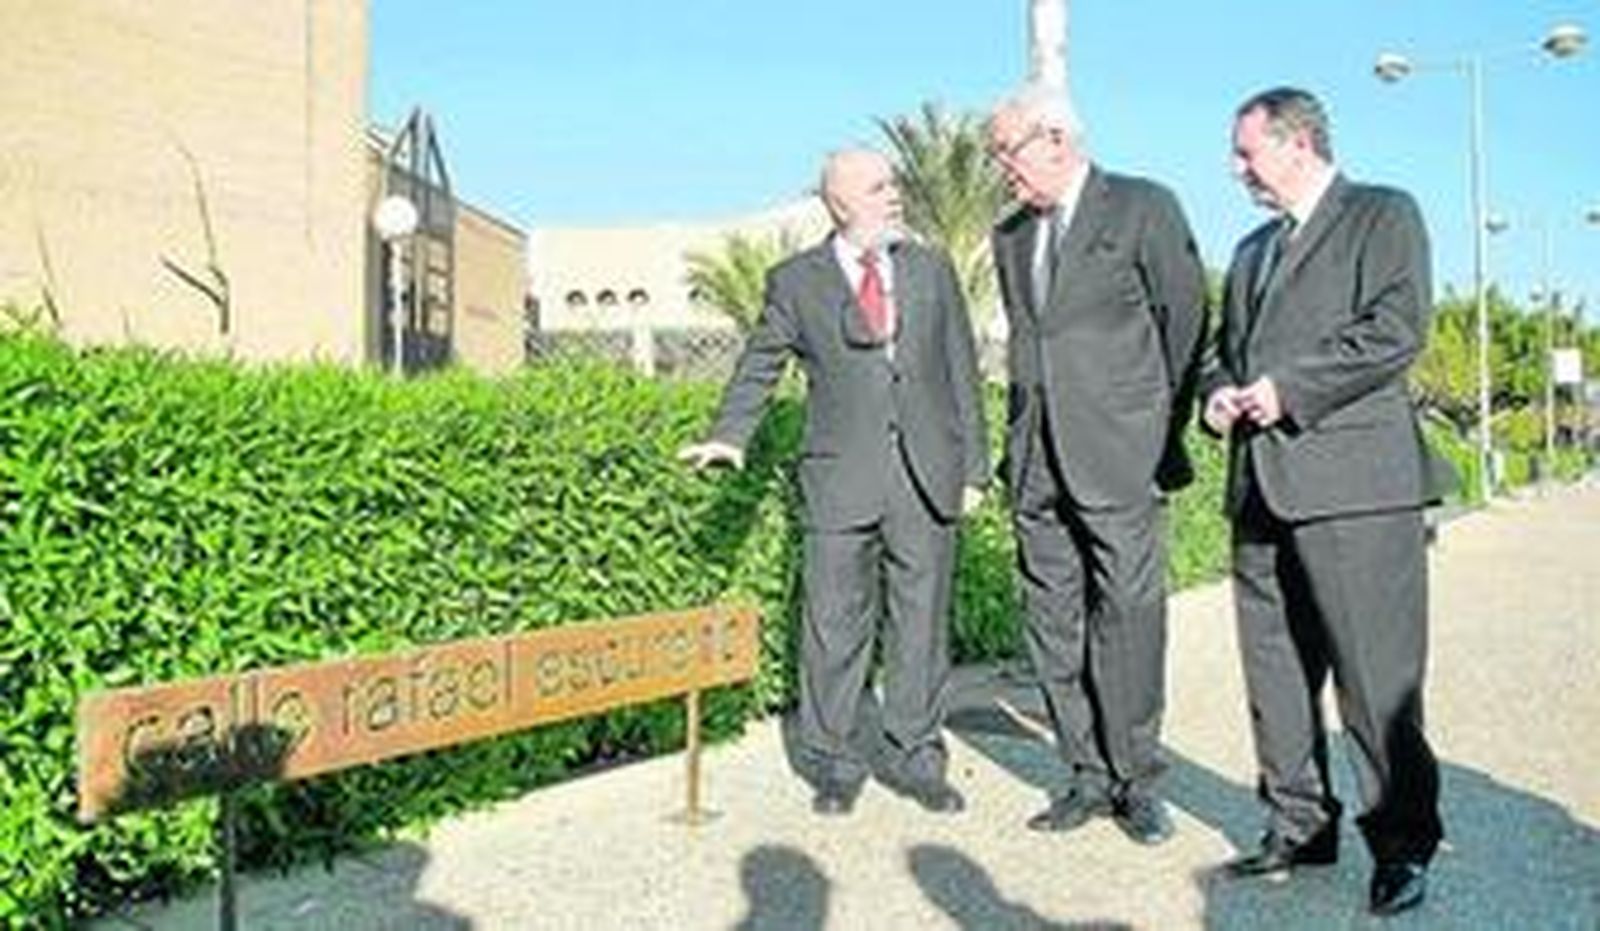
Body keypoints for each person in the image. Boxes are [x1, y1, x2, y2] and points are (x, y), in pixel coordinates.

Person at [679, 148, 990, 816]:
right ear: (840, 201)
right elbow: (761, 363)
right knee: (832, 627)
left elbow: (961, 369)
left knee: (921, 627)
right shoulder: (795, 281)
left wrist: (976, 468)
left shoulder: (931, 270)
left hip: (926, 477)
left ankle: (917, 759)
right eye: (879, 187)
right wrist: (729, 435)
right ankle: (835, 764)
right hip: (839, 483)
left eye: (893, 184)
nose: (894, 195)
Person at [1202, 87, 1444, 916]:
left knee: (1375, 679)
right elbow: (1219, 353)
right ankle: (1300, 822)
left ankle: (1404, 842)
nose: (1236, 169)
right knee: (1275, 673)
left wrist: (1285, 389)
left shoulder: (1383, 215)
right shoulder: (1250, 248)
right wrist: (1217, 394)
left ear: (1297, 142)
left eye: (1247, 152)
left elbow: (1396, 328)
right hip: (1259, 489)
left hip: (1356, 488)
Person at [986, 83, 1206, 845]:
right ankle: (1082, 773)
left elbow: (1185, 325)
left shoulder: (1145, 206)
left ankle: (1136, 779)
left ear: (1055, 139)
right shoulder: (1010, 234)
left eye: (1006, 153)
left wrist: (1153, 428)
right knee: (1053, 623)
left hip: (1121, 456)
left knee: (1131, 620)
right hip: (1036, 462)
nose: (1001, 171)